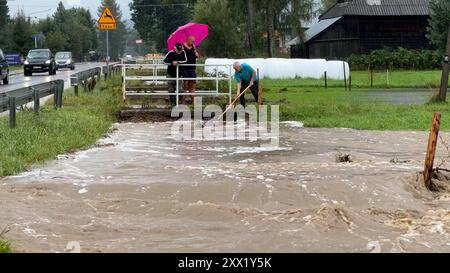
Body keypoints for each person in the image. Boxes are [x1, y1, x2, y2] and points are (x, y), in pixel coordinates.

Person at [182, 36, 200, 104]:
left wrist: (197, 55)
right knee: (185, 86)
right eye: (192, 41)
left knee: (192, 86)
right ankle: (183, 102)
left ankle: (194, 102)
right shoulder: (183, 46)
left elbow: (196, 56)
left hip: (192, 68)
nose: (193, 42)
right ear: (188, 40)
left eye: (193, 41)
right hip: (185, 69)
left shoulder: (193, 46)